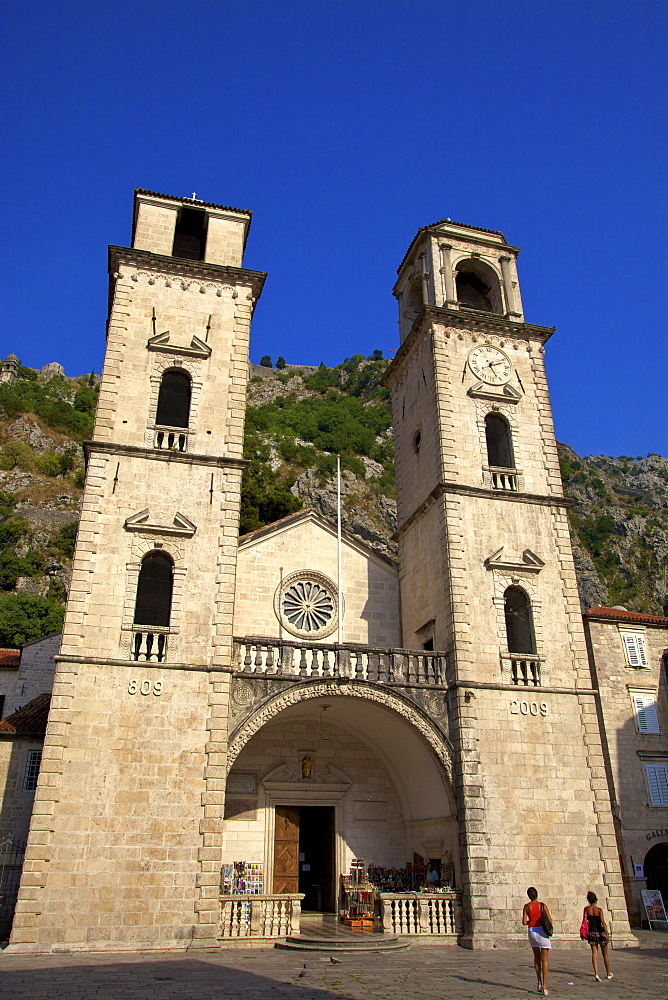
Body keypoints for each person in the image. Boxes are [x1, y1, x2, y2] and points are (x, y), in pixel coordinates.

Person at [522, 886, 552, 995]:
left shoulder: (526, 907)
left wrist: (532, 921)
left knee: (536, 957)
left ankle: (539, 982)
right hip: (542, 931)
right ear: (537, 894)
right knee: (545, 959)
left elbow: (524, 922)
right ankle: (544, 987)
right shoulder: (542, 906)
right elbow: (550, 920)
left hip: (532, 931)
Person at [583, 891, 613, 981]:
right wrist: (607, 933)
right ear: (596, 900)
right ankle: (608, 973)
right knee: (605, 954)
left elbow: (585, 921)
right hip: (600, 932)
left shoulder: (586, 909)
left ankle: (596, 973)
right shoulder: (599, 910)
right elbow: (603, 922)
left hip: (592, 932)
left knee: (594, 954)